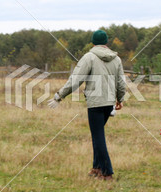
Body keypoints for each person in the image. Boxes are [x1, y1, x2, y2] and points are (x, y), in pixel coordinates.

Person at [47, 30, 126, 180]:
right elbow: (121, 83)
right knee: (98, 135)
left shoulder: (89, 57)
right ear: (106, 42)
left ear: (93, 42)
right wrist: (120, 99)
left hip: (95, 103)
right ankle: (96, 168)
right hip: (108, 103)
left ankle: (107, 171)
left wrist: (59, 96)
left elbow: (75, 80)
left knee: (98, 137)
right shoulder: (116, 59)